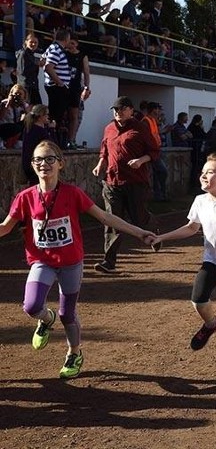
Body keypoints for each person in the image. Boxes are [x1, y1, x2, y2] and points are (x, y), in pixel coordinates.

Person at [0, 140, 155, 379]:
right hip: (43, 261)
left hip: (71, 262)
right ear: (32, 165)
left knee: (67, 313)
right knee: (31, 306)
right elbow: (5, 228)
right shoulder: (25, 197)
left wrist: (139, 232)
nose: (44, 164)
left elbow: (105, 217)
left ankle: (74, 352)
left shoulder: (73, 194)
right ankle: (45, 318)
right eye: (38, 160)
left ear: (61, 163)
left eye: (50, 159)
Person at [151, 153, 216, 376]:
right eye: (203, 171)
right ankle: (211, 324)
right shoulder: (200, 201)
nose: (204, 175)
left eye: (211, 172)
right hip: (212, 261)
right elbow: (191, 228)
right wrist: (162, 238)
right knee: (198, 299)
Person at [92, 96, 160, 274]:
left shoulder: (140, 128)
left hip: (135, 182)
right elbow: (104, 149)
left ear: (131, 111)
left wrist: (141, 160)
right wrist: (100, 163)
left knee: (138, 219)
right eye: (115, 109)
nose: (118, 112)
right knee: (112, 220)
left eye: (122, 109)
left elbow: (154, 151)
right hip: (112, 182)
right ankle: (109, 261)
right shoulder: (109, 128)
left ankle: (154, 229)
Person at [65, 35, 91, 150]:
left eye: (72, 43)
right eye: (68, 43)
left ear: (76, 44)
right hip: (62, 87)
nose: (70, 46)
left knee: (75, 115)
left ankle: (71, 140)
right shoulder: (63, 53)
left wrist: (86, 87)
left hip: (75, 88)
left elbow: (86, 72)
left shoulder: (82, 56)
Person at [21, 104, 54, 185]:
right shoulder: (41, 132)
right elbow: (53, 145)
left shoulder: (29, 128)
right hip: (38, 165)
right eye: (46, 115)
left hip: (29, 164)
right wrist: (52, 129)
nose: (48, 117)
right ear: (40, 116)